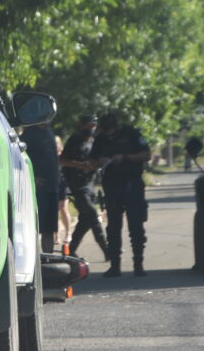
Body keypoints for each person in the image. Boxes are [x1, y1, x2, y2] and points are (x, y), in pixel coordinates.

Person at [91, 112, 151, 277]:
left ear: (117, 127)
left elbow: (146, 155)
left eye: (111, 131)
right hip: (112, 186)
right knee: (113, 228)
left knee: (136, 226)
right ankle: (115, 266)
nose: (109, 134)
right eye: (106, 131)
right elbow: (92, 161)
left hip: (132, 184)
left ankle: (138, 264)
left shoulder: (131, 134)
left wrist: (125, 157)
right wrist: (101, 161)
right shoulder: (101, 139)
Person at [59, 114, 110, 261]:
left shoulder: (94, 141)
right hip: (77, 185)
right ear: (81, 126)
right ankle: (107, 249)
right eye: (88, 126)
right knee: (93, 215)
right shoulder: (74, 140)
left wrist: (97, 164)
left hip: (90, 185)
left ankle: (71, 250)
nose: (91, 129)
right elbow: (62, 160)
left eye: (93, 126)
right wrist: (81, 165)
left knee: (85, 220)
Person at [20, 121, 60, 254]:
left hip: (52, 185)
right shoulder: (29, 134)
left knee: (50, 227)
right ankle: (33, 257)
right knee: (35, 225)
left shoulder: (50, 131)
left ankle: (48, 255)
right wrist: (33, 177)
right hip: (38, 188)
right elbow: (22, 158)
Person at [54, 132, 72, 250]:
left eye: (56, 144)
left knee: (63, 209)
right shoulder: (48, 156)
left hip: (63, 184)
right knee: (54, 210)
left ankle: (68, 233)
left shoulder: (63, 156)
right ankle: (56, 235)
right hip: (53, 184)